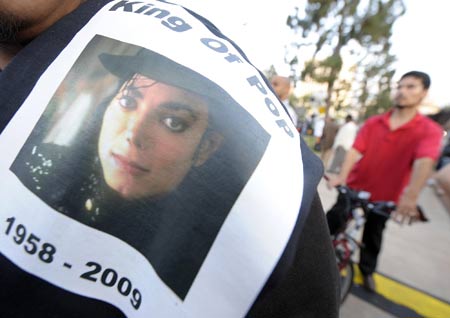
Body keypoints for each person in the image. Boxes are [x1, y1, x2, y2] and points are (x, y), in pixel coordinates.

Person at [0, 1, 339, 317]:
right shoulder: (44, 160)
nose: (134, 134)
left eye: (173, 122)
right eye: (129, 102)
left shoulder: (245, 203)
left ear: (207, 148)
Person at [327, 71, 443, 293]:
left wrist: (410, 198)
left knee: (373, 236)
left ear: (424, 93)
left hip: (385, 197)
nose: (402, 91)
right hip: (354, 187)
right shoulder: (374, 123)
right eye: (400, 86)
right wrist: (342, 177)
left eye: (411, 87)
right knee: (329, 222)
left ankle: (367, 271)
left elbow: (424, 162)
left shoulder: (429, 130)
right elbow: (354, 151)